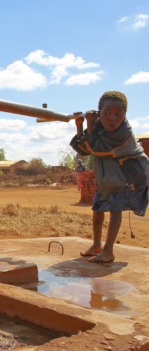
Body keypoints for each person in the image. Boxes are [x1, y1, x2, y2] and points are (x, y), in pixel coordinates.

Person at [70, 91, 149, 263]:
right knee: (98, 209)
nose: (112, 118)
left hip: (128, 177)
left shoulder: (123, 132)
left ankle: (108, 250)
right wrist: (80, 125)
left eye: (118, 114)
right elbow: (84, 149)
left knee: (115, 209)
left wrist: (90, 124)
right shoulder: (99, 126)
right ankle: (97, 245)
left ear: (124, 115)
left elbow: (95, 148)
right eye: (106, 114)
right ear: (100, 113)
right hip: (108, 178)